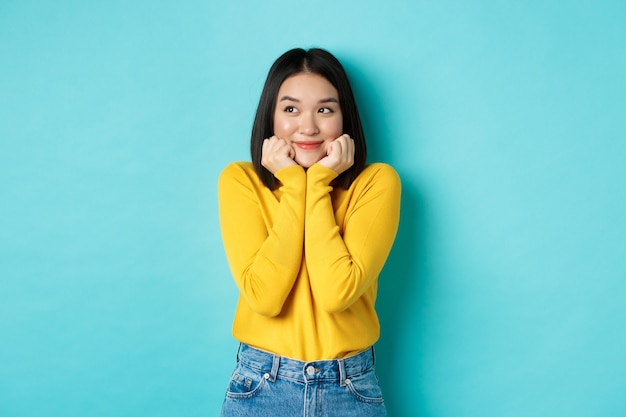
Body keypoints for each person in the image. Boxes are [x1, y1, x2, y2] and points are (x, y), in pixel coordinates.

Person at [218, 47, 401, 417]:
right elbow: (265, 298)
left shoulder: (376, 183)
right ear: (270, 117)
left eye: (324, 109)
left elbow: (337, 293)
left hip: (349, 389)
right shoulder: (241, 181)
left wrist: (316, 182)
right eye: (290, 109)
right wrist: (294, 183)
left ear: (343, 116)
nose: (308, 127)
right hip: (260, 386)